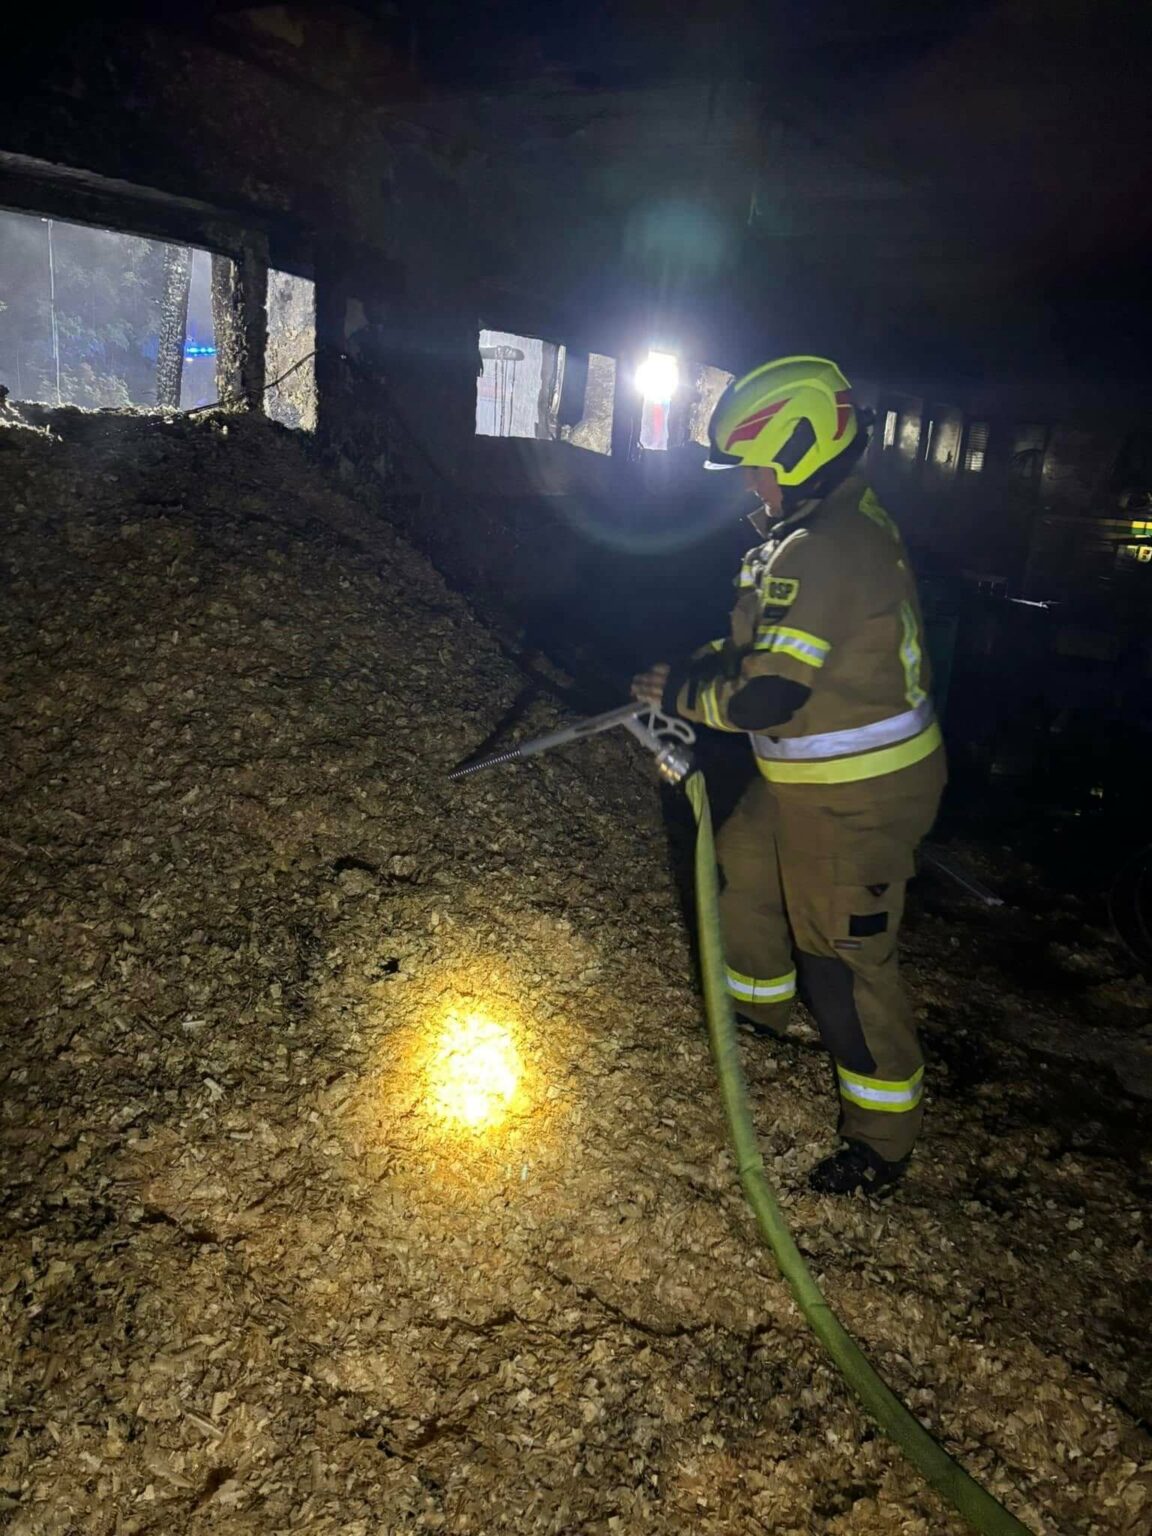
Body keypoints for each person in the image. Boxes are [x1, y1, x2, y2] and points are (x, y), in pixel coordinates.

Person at [633, 356, 945, 1196]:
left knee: (840, 963)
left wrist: (683, 693)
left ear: (802, 452)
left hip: (858, 795)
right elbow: (760, 644)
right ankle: (759, 1029)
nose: (749, 486)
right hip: (807, 777)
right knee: (743, 875)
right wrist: (696, 667)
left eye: (756, 468)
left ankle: (881, 1142)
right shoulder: (818, 524)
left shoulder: (829, 547)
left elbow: (766, 696)